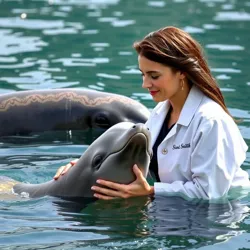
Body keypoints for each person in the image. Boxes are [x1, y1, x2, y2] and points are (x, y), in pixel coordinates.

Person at [54, 26, 250, 200]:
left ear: (181, 72)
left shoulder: (211, 121)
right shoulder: (161, 112)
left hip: (216, 223)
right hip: (176, 216)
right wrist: (79, 169)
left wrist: (151, 192)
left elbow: (211, 193)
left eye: (154, 76)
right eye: (143, 74)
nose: (145, 84)